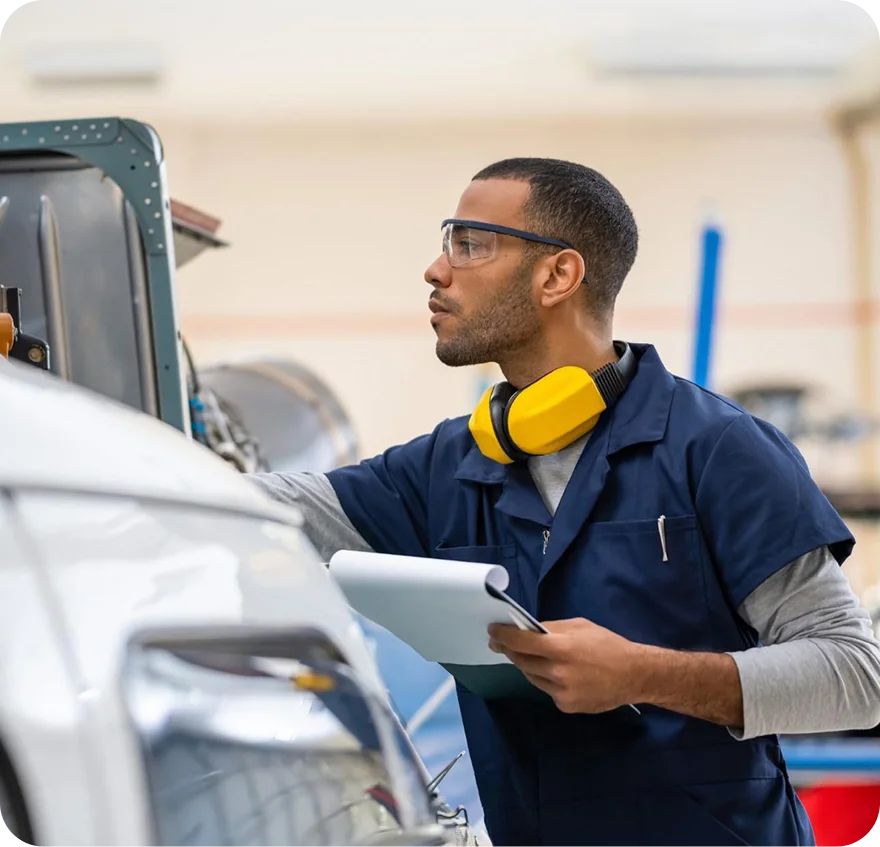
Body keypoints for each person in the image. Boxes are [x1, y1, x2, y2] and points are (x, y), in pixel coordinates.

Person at [250, 158, 880, 846]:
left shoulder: (719, 448)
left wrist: (641, 672)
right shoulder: (449, 464)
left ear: (558, 275)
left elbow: (852, 672)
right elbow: (262, 509)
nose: (436, 270)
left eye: (469, 244)